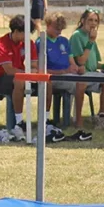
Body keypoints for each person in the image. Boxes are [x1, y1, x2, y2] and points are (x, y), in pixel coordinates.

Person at [68, 8, 104, 141]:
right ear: (83, 20)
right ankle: (94, 118)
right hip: (80, 74)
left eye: (96, 21)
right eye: (90, 20)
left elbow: (94, 64)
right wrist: (90, 41)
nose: (93, 23)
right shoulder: (77, 36)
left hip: (92, 73)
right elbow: (81, 61)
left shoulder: (91, 37)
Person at [0, 15, 39, 141]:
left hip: (21, 75)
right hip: (1, 79)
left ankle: (46, 121)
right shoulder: (2, 44)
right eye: (25, 33)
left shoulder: (29, 44)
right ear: (16, 31)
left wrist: (32, 72)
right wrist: (28, 73)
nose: (28, 37)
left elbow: (35, 65)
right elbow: (9, 70)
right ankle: (19, 122)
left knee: (47, 82)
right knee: (19, 80)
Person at [42, 13, 75, 143]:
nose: (59, 32)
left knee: (81, 81)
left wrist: (76, 68)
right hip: (53, 77)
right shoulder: (41, 42)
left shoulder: (64, 41)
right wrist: (62, 72)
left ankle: (71, 118)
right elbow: (41, 69)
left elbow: (72, 62)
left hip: (67, 75)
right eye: (56, 29)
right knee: (77, 84)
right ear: (48, 25)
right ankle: (73, 120)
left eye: (61, 29)